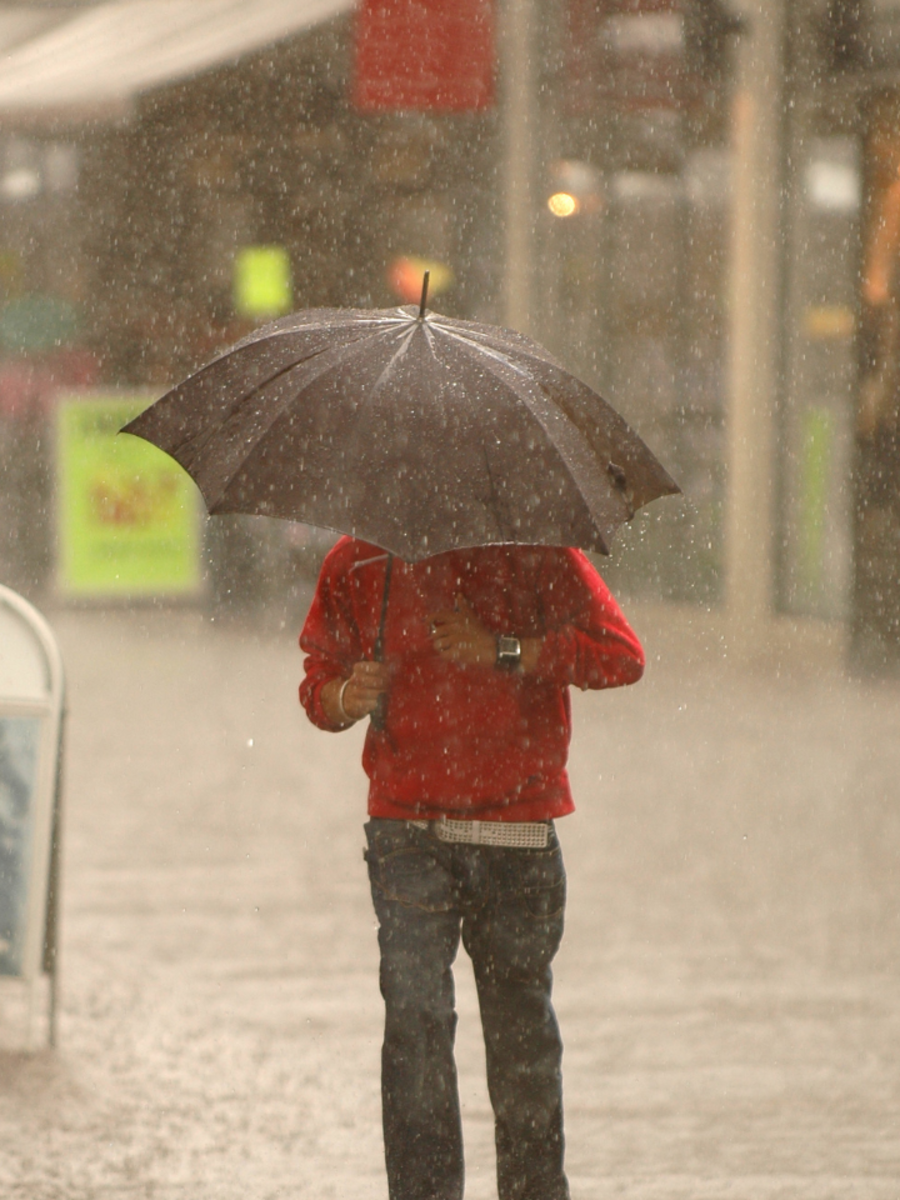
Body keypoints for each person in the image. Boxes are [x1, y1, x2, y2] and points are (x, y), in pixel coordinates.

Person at [299, 536, 644, 1200]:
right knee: (416, 1020)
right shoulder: (358, 559)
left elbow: (622, 656)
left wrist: (507, 649)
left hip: (518, 834)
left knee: (521, 1044)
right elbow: (319, 685)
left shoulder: (538, 550)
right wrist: (348, 695)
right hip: (406, 832)